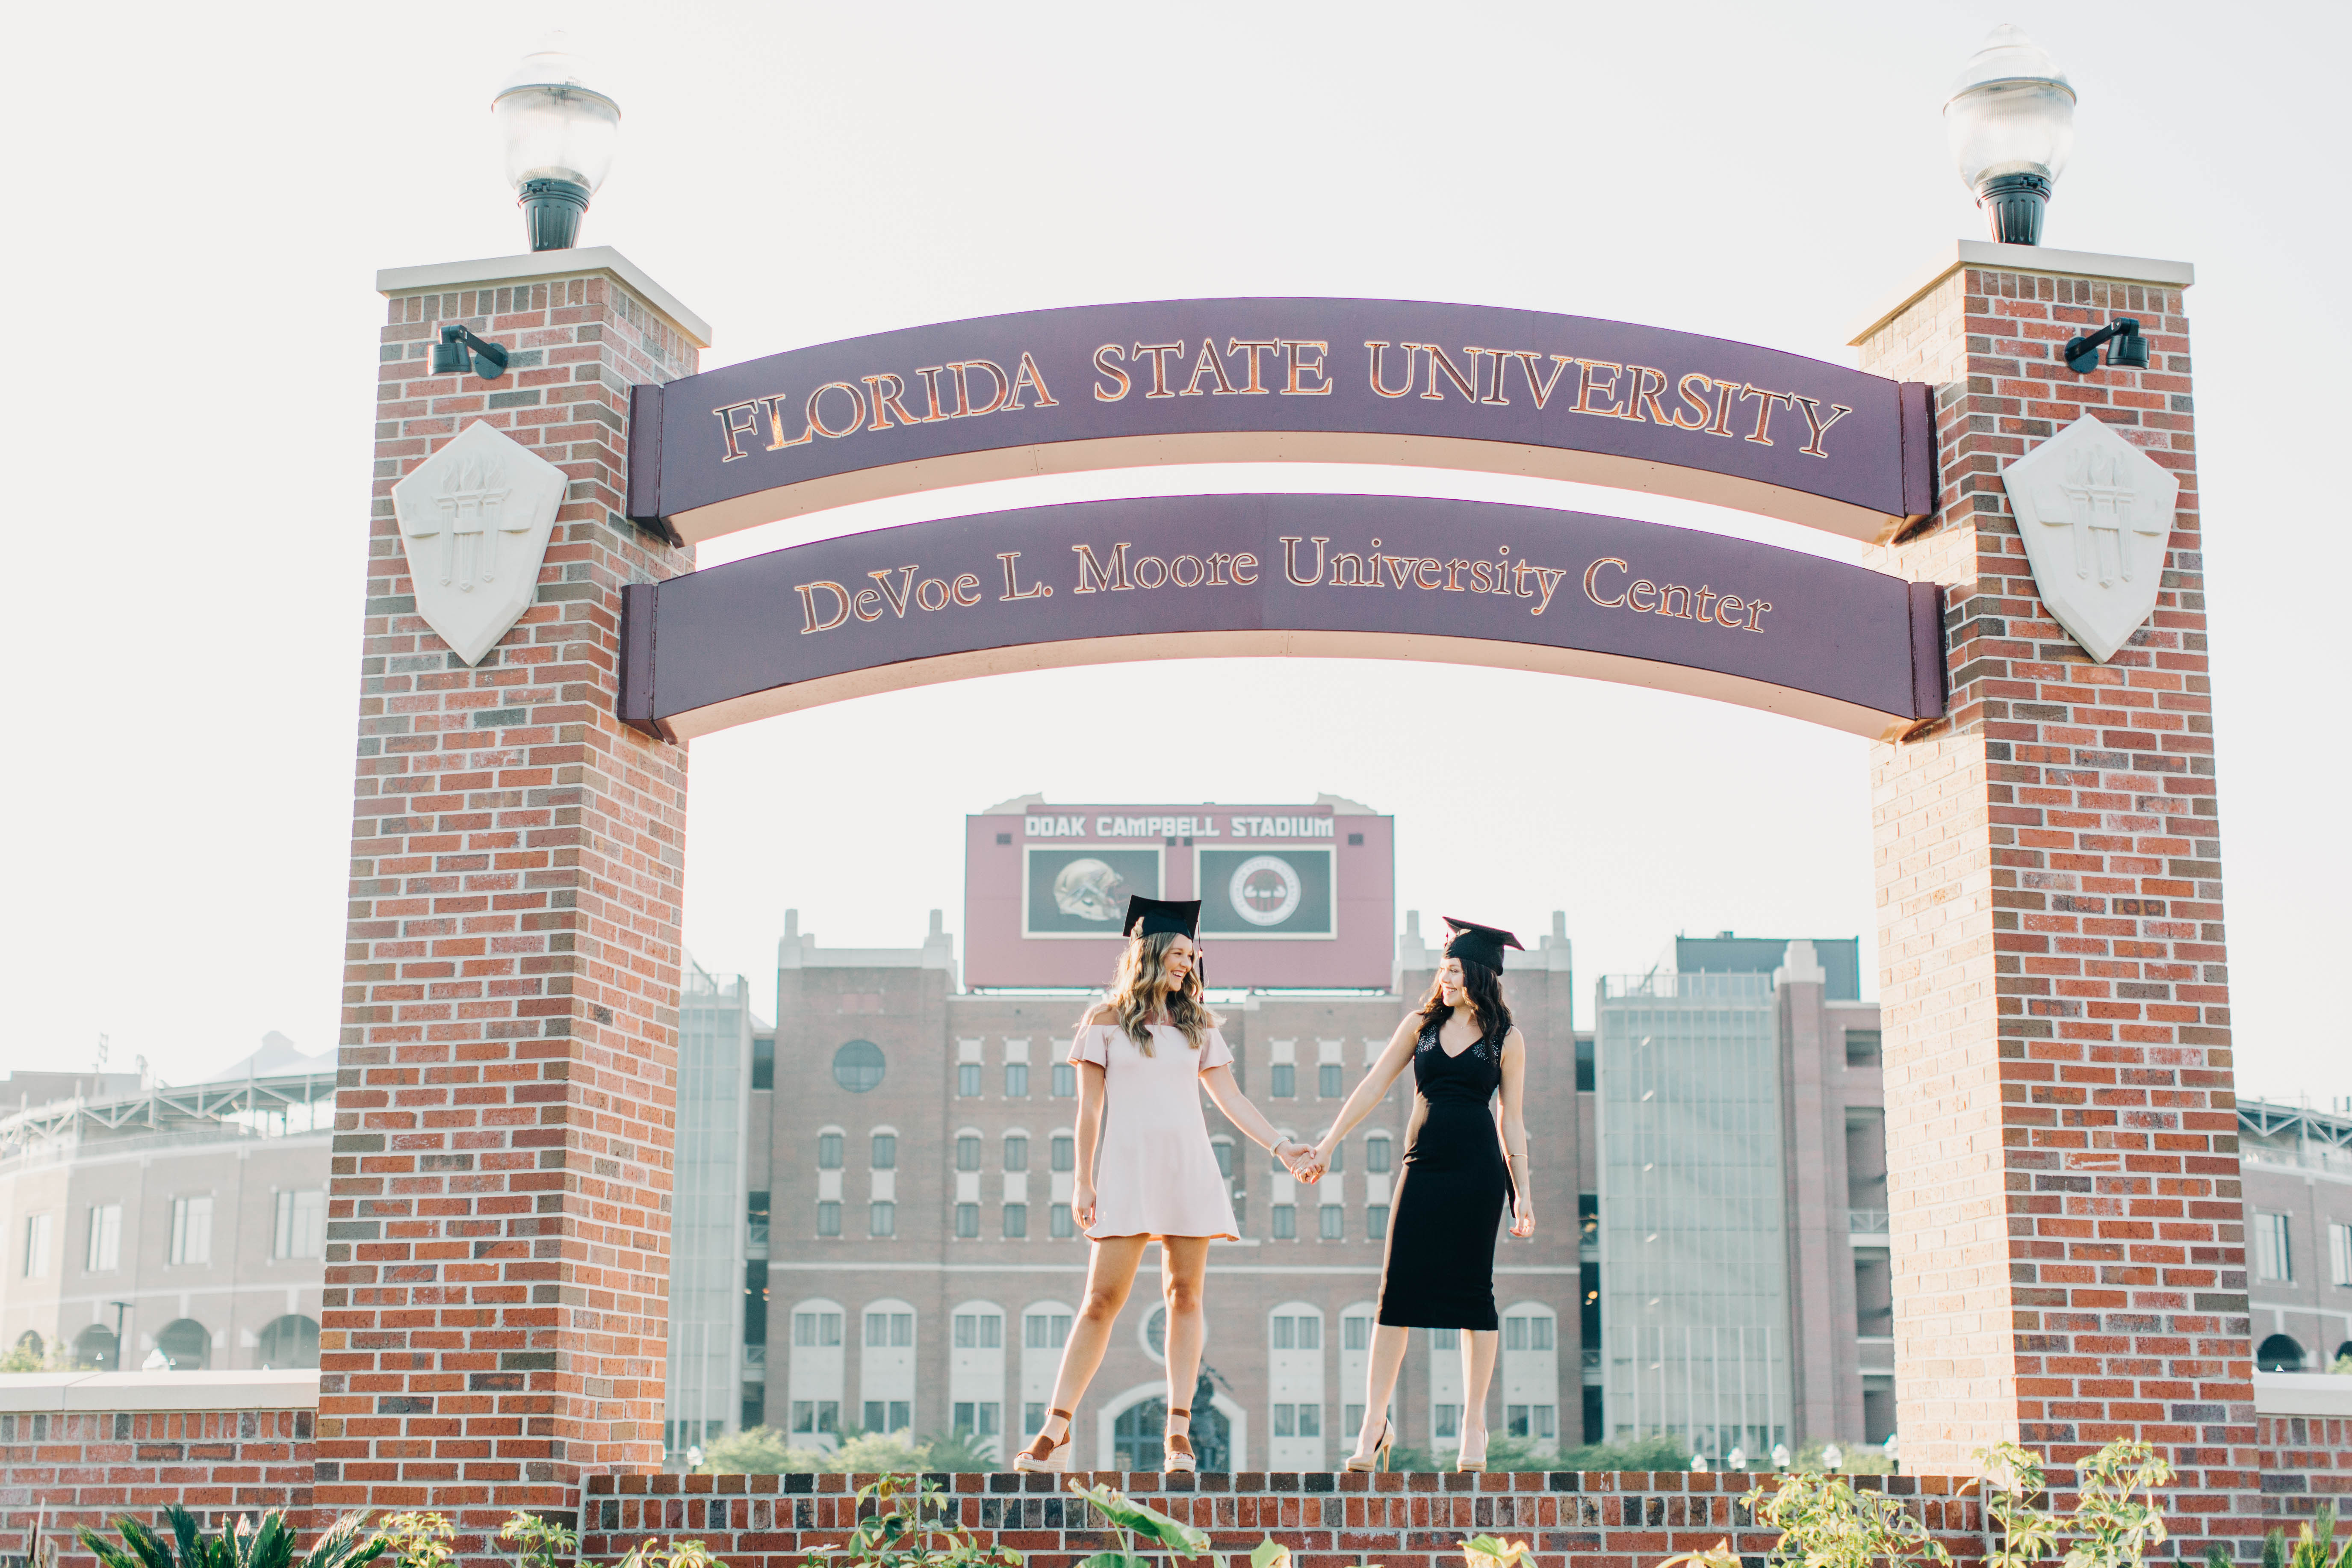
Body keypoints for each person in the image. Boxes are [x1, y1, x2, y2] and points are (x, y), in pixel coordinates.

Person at [1014, 895, 1318, 1474]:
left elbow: (1230, 1099)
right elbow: (1088, 1113)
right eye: (1179, 954)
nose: (1187, 964)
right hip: (1125, 1171)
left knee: (1185, 1296)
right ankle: (1056, 1428)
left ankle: (1177, 1433)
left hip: (1188, 1168)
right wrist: (1081, 1182)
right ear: (1150, 953)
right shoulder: (1102, 1023)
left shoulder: (1197, 1025)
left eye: (1192, 956)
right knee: (1100, 1302)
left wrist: (1282, 1147)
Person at [1298, 916, 1534, 1472]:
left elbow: (1514, 1120)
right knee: (1395, 1295)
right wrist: (1328, 1143)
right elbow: (1373, 1084)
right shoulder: (1420, 1025)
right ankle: (1373, 1424)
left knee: (1474, 1296)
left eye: (1453, 971)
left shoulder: (1507, 1038)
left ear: (1479, 974)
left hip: (1479, 1171)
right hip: (1422, 1165)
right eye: (1442, 970)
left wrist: (1522, 1192)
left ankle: (1473, 1425)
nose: (1444, 980)